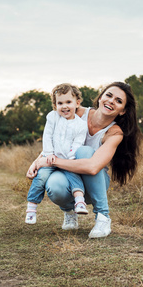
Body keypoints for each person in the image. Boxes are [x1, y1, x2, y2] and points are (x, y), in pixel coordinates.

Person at [26, 82, 141, 238]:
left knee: (85, 152)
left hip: (93, 183)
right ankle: (69, 210)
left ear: (123, 111)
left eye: (119, 101)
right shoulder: (75, 111)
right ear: (100, 98)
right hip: (67, 174)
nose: (111, 101)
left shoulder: (114, 133)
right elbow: (56, 139)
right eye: (108, 95)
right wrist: (37, 160)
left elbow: (92, 167)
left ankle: (103, 217)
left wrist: (50, 161)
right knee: (53, 184)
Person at [25, 83, 89, 225]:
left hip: (68, 159)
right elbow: (47, 136)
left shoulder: (81, 125)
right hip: (50, 157)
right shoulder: (53, 117)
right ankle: (31, 208)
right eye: (60, 103)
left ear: (77, 103)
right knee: (40, 177)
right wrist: (49, 154)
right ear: (55, 105)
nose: (64, 106)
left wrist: (70, 160)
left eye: (68, 102)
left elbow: (78, 143)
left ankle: (79, 202)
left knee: (75, 178)